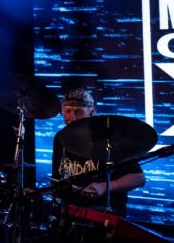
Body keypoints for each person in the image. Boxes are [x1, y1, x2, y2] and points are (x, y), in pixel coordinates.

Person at [52, 88, 145, 217]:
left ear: (92, 112)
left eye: (78, 112)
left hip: (103, 214)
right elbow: (56, 181)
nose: (72, 118)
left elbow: (138, 178)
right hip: (70, 212)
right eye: (67, 111)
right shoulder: (60, 137)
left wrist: (104, 187)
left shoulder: (109, 138)